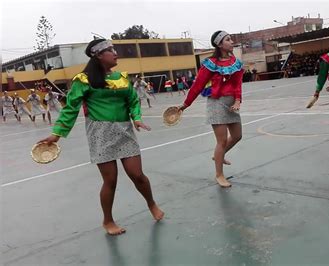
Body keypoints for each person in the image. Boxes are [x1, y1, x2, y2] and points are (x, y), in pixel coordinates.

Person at [37, 39, 164, 236]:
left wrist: (137, 119)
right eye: (110, 50)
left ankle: (152, 203)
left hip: (125, 131)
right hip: (100, 133)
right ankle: (108, 220)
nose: (115, 53)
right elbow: (70, 108)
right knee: (110, 180)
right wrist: (57, 134)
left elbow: (132, 100)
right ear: (98, 55)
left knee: (137, 174)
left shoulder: (121, 78)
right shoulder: (83, 80)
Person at [179, 30, 243, 188]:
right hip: (216, 103)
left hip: (231, 104)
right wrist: (185, 104)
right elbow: (197, 85)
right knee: (221, 141)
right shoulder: (210, 63)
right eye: (228, 40)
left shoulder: (236, 62)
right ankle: (219, 175)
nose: (232, 41)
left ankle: (218, 156)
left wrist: (237, 100)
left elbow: (237, 84)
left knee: (237, 136)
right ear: (220, 44)